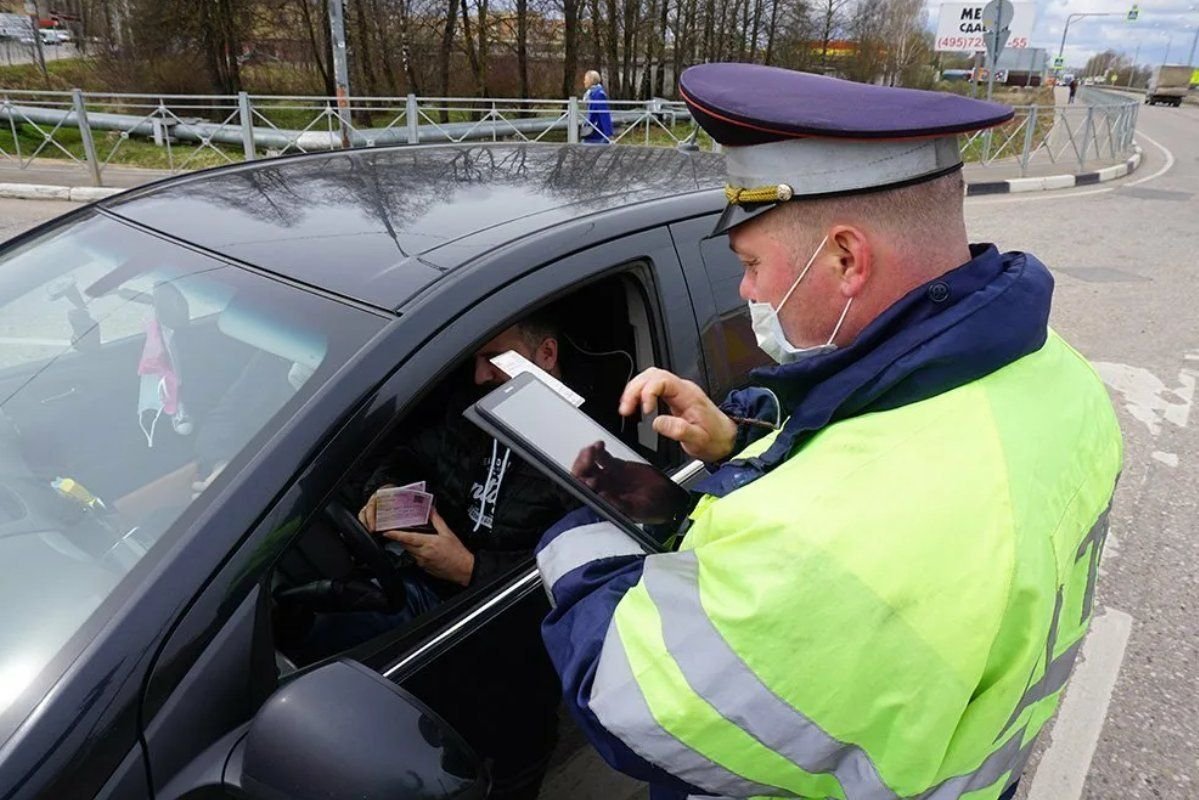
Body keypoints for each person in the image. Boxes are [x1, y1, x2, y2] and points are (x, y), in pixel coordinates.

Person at [534, 63, 1122, 800]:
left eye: (750, 264)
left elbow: (628, 703)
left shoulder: (843, 533)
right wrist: (736, 444)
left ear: (845, 258)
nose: (745, 290)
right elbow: (879, 442)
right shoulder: (1055, 373)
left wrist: (579, 534)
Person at [582, 69, 614, 143]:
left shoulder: (599, 94)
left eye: (585, 79)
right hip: (592, 129)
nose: (584, 82)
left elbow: (604, 113)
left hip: (597, 131)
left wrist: (608, 134)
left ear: (591, 80)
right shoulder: (592, 93)